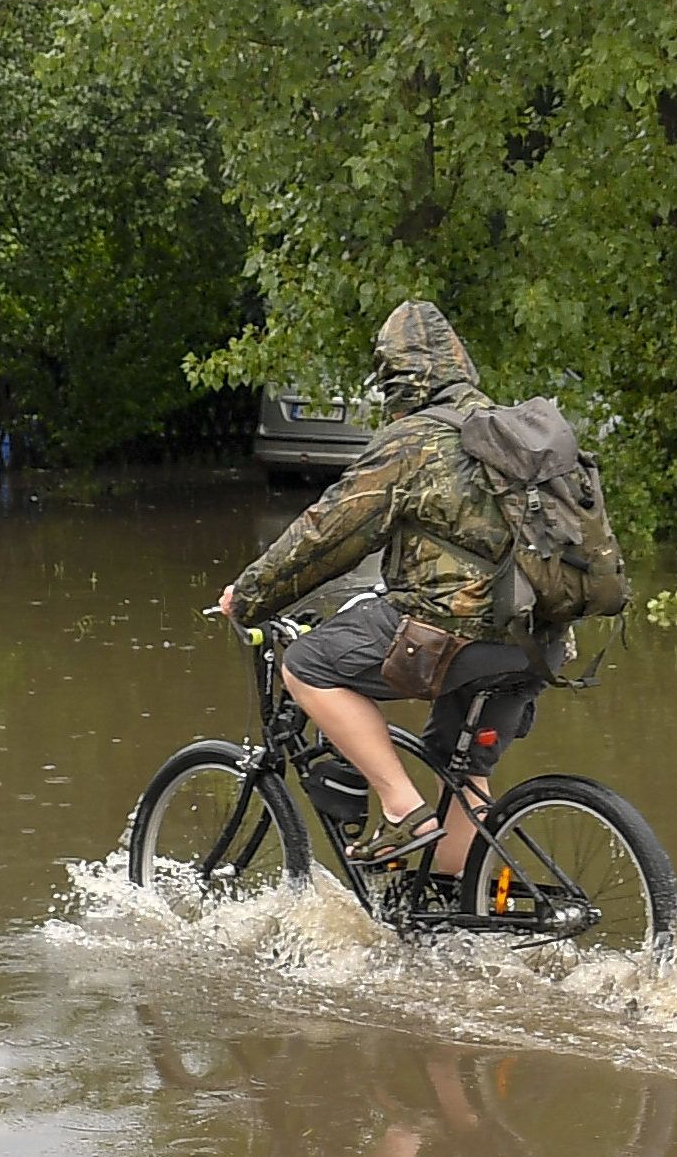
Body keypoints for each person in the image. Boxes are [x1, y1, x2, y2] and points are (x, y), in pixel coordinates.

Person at [211, 300, 528, 877]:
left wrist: (251, 595)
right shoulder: (511, 432)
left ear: (395, 379)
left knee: (307, 662)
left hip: (449, 632)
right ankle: (468, 917)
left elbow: (328, 534)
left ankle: (403, 809)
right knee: (463, 771)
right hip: (537, 638)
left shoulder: (414, 441)